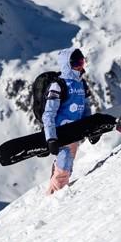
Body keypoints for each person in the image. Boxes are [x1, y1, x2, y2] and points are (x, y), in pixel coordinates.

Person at [43, 48, 94, 195]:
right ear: (67, 64)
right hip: (60, 133)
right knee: (64, 165)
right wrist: (51, 138)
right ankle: (55, 198)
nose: (80, 66)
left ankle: (57, 191)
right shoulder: (58, 86)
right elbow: (49, 114)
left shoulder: (81, 84)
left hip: (74, 132)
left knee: (67, 166)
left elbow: (85, 109)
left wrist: (90, 129)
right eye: (76, 63)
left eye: (82, 61)